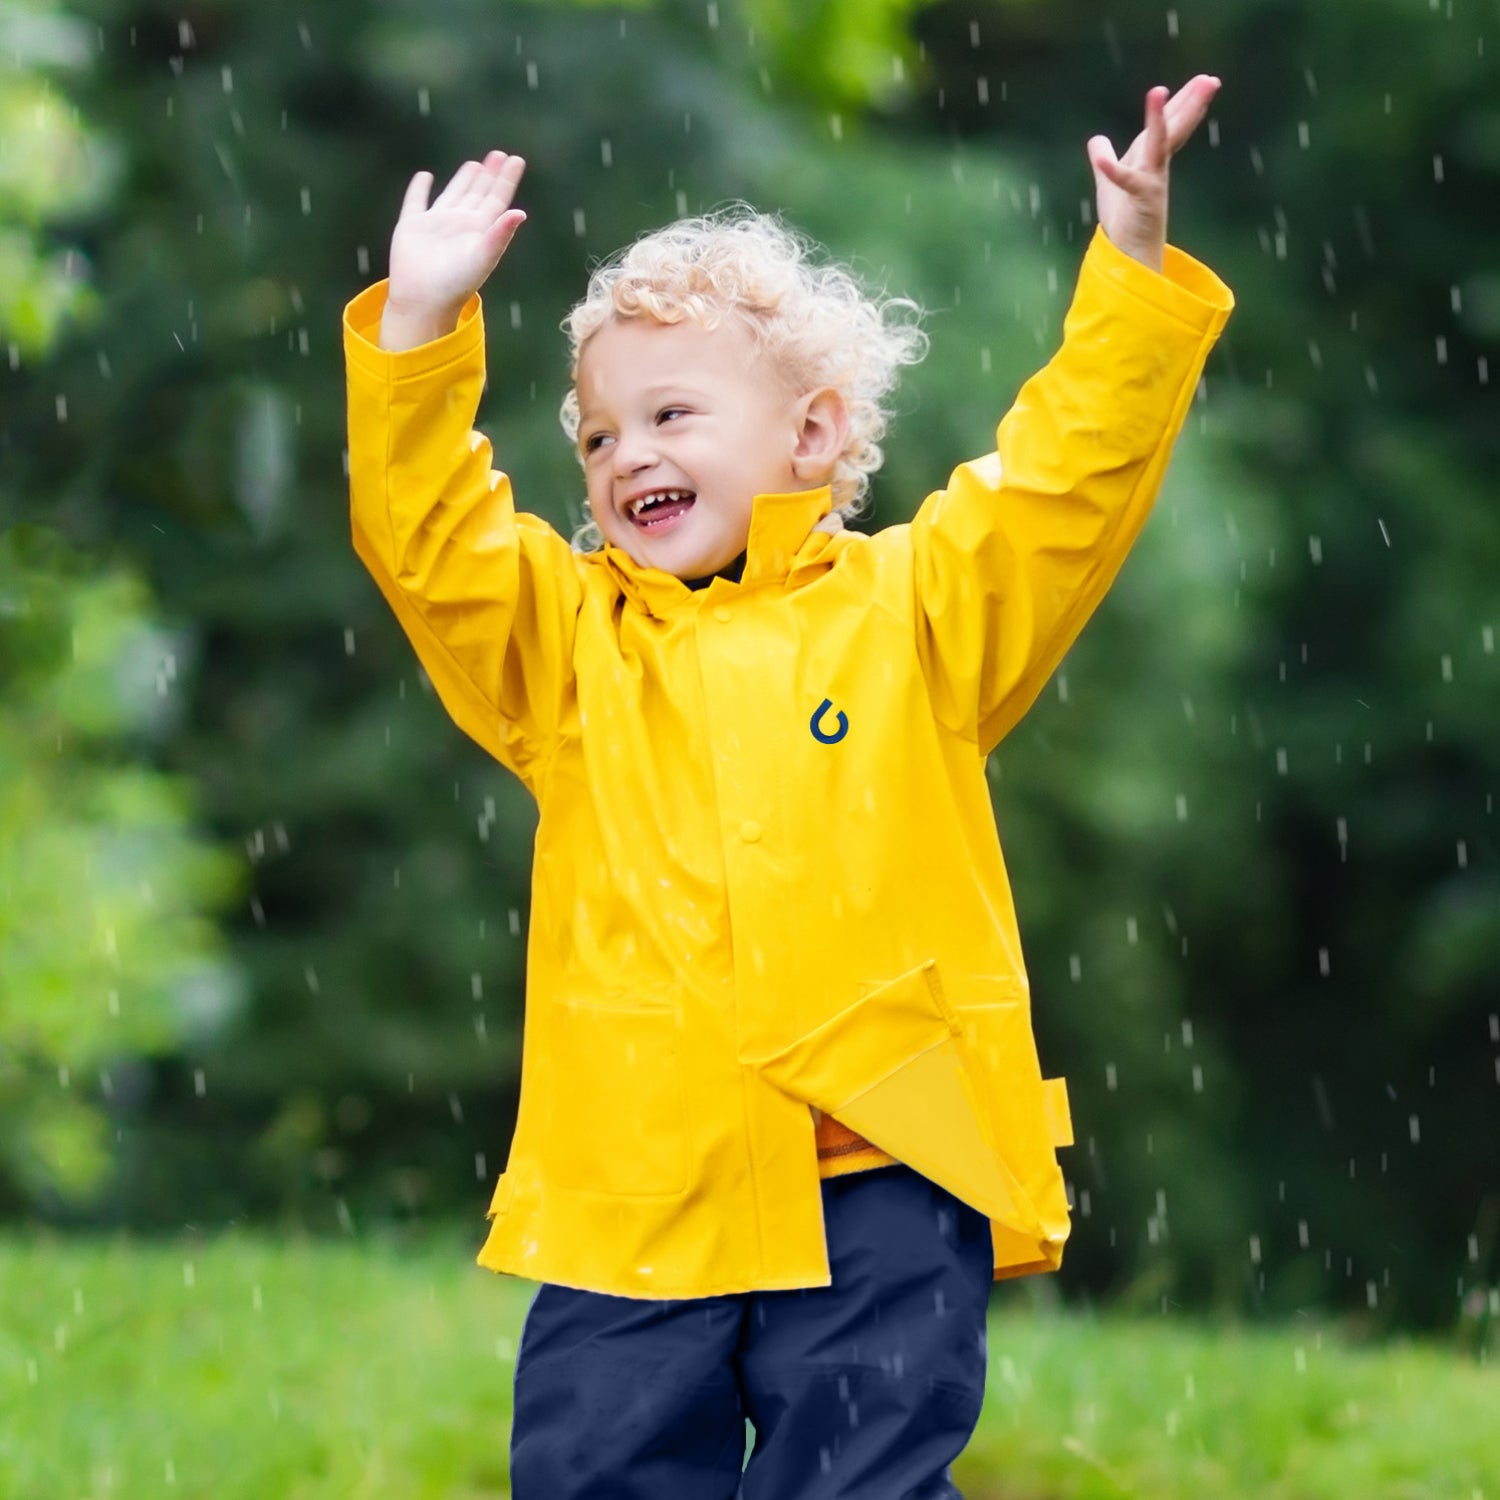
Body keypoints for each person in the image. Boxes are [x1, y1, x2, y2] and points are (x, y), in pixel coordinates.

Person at [342, 76, 1233, 1500]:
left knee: (865, 1483)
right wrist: (415, 331)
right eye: (599, 436)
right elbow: (429, 538)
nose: (628, 453)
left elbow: (1068, 486)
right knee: (595, 1478)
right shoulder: (568, 649)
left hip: (888, 1170)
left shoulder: (922, 615)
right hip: (639, 1189)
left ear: (812, 437)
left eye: (671, 412)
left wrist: (1127, 272)